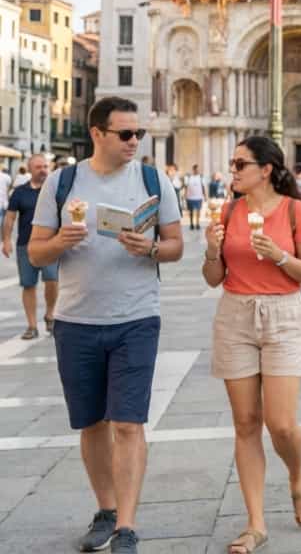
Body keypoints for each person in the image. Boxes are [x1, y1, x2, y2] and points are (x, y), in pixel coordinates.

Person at [26, 97, 183, 554]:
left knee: (129, 423)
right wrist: (60, 240)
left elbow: (175, 245)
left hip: (136, 318)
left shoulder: (155, 181)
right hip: (76, 321)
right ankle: (106, 509)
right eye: (126, 134)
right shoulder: (62, 182)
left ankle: (127, 526)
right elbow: (36, 253)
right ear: (97, 134)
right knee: (92, 423)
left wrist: (150, 248)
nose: (135, 142)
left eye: (139, 134)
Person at [202, 136, 301, 552]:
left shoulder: (295, 211)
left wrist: (279, 256)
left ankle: (296, 476)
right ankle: (255, 523)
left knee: (281, 423)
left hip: (285, 316)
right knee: (246, 422)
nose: (232, 171)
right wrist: (212, 250)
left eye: (240, 164)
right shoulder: (230, 210)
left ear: (265, 169)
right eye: (233, 164)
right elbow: (213, 278)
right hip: (235, 315)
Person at [2, 154, 58, 338]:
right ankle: (32, 326)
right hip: (25, 245)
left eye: (45, 166)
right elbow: (10, 218)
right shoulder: (20, 192)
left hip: (50, 244)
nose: (43, 170)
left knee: (52, 280)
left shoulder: (54, 191)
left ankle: (50, 315)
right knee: (28, 285)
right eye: (38, 167)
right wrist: (6, 240)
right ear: (30, 169)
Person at [184, 164, 206, 230]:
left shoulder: (201, 177)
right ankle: (191, 224)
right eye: (196, 169)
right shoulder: (189, 177)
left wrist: (205, 195)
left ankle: (197, 223)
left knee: (198, 211)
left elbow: (203, 187)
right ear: (193, 169)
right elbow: (186, 186)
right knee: (191, 211)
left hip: (198, 197)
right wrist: (185, 195)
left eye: (198, 169)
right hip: (190, 197)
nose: (197, 170)